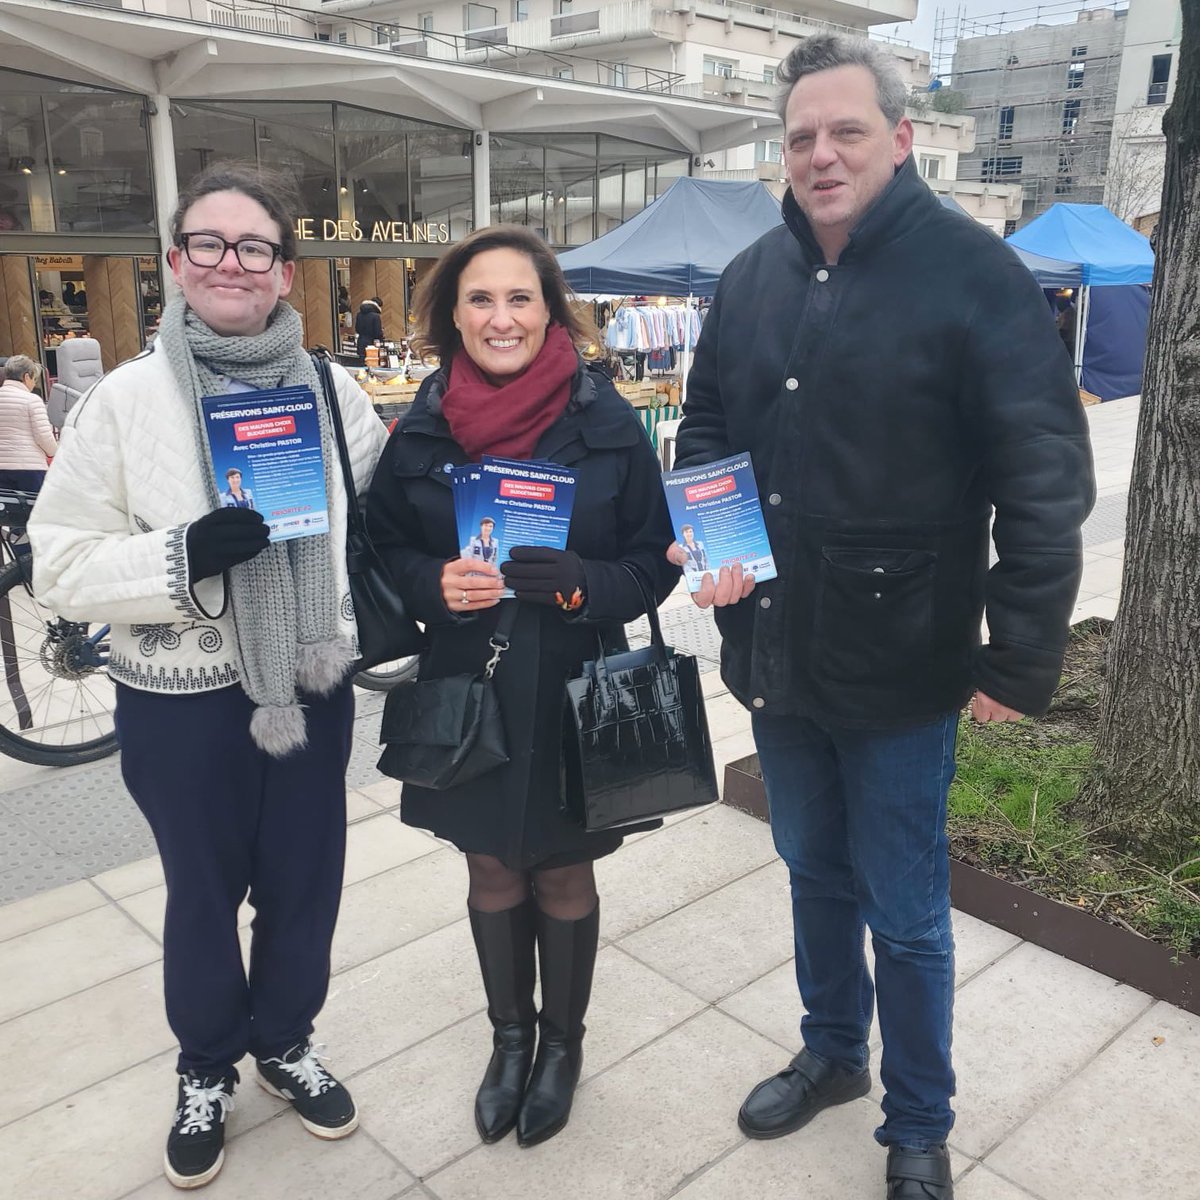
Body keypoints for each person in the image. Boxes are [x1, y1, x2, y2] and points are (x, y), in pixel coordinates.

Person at [668, 35, 1094, 1200]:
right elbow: (705, 430)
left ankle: (919, 1117)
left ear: (903, 139)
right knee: (811, 868)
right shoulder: (753, 276)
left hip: (907, 657)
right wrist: (710, 543)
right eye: (800, 136)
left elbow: (1046, 477)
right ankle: (832, 1053)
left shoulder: (974, 275)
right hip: (776, 647)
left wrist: (1021, 652)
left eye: (845, 130)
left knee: (905, 910)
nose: (820, 153)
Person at [28, 161, 388, 1191]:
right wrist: (180, 560)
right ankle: (204, 1067)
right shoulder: (124, 400)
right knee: (200, 895)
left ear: (285, 271)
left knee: (304, 886)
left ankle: (283, 1040)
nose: (233, 263)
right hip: (179, 700)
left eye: (256, 247)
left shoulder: (332, 388)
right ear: (177, 266)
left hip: (311, 684)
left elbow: (384, 519)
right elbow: (58, 561)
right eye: (210, 245)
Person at [367, 224, 679, 1149]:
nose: (500, 318)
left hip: (574, 678)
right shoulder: (422, 423)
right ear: (452, 314)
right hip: (472, 679)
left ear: (552, 311)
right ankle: (509, 1038)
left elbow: (653, 562)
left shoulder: (607, 423)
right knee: (491, 863)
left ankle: (561, 1046)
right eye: (479, 299)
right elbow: (385, 546)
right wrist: (435, 586)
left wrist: (586, 583)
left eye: (520, 298)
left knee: (564, 869)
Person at [0, 355, 57, 552]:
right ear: (26, 376)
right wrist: (56, 452)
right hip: (29, 468)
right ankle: (36, 561)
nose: (33, 383)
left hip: (2, 469)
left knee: (13, 518)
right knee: (37, 517)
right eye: (33, 378)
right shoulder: (32, 400)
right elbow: (44, 437)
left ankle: (19, 565)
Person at [354, 295, 383, 359]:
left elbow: (357, 329)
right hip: (372, 344)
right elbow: (377, 333)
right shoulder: (376, 316)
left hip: (361, 342)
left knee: (361, 362)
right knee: (372, 362)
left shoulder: (359, 314)